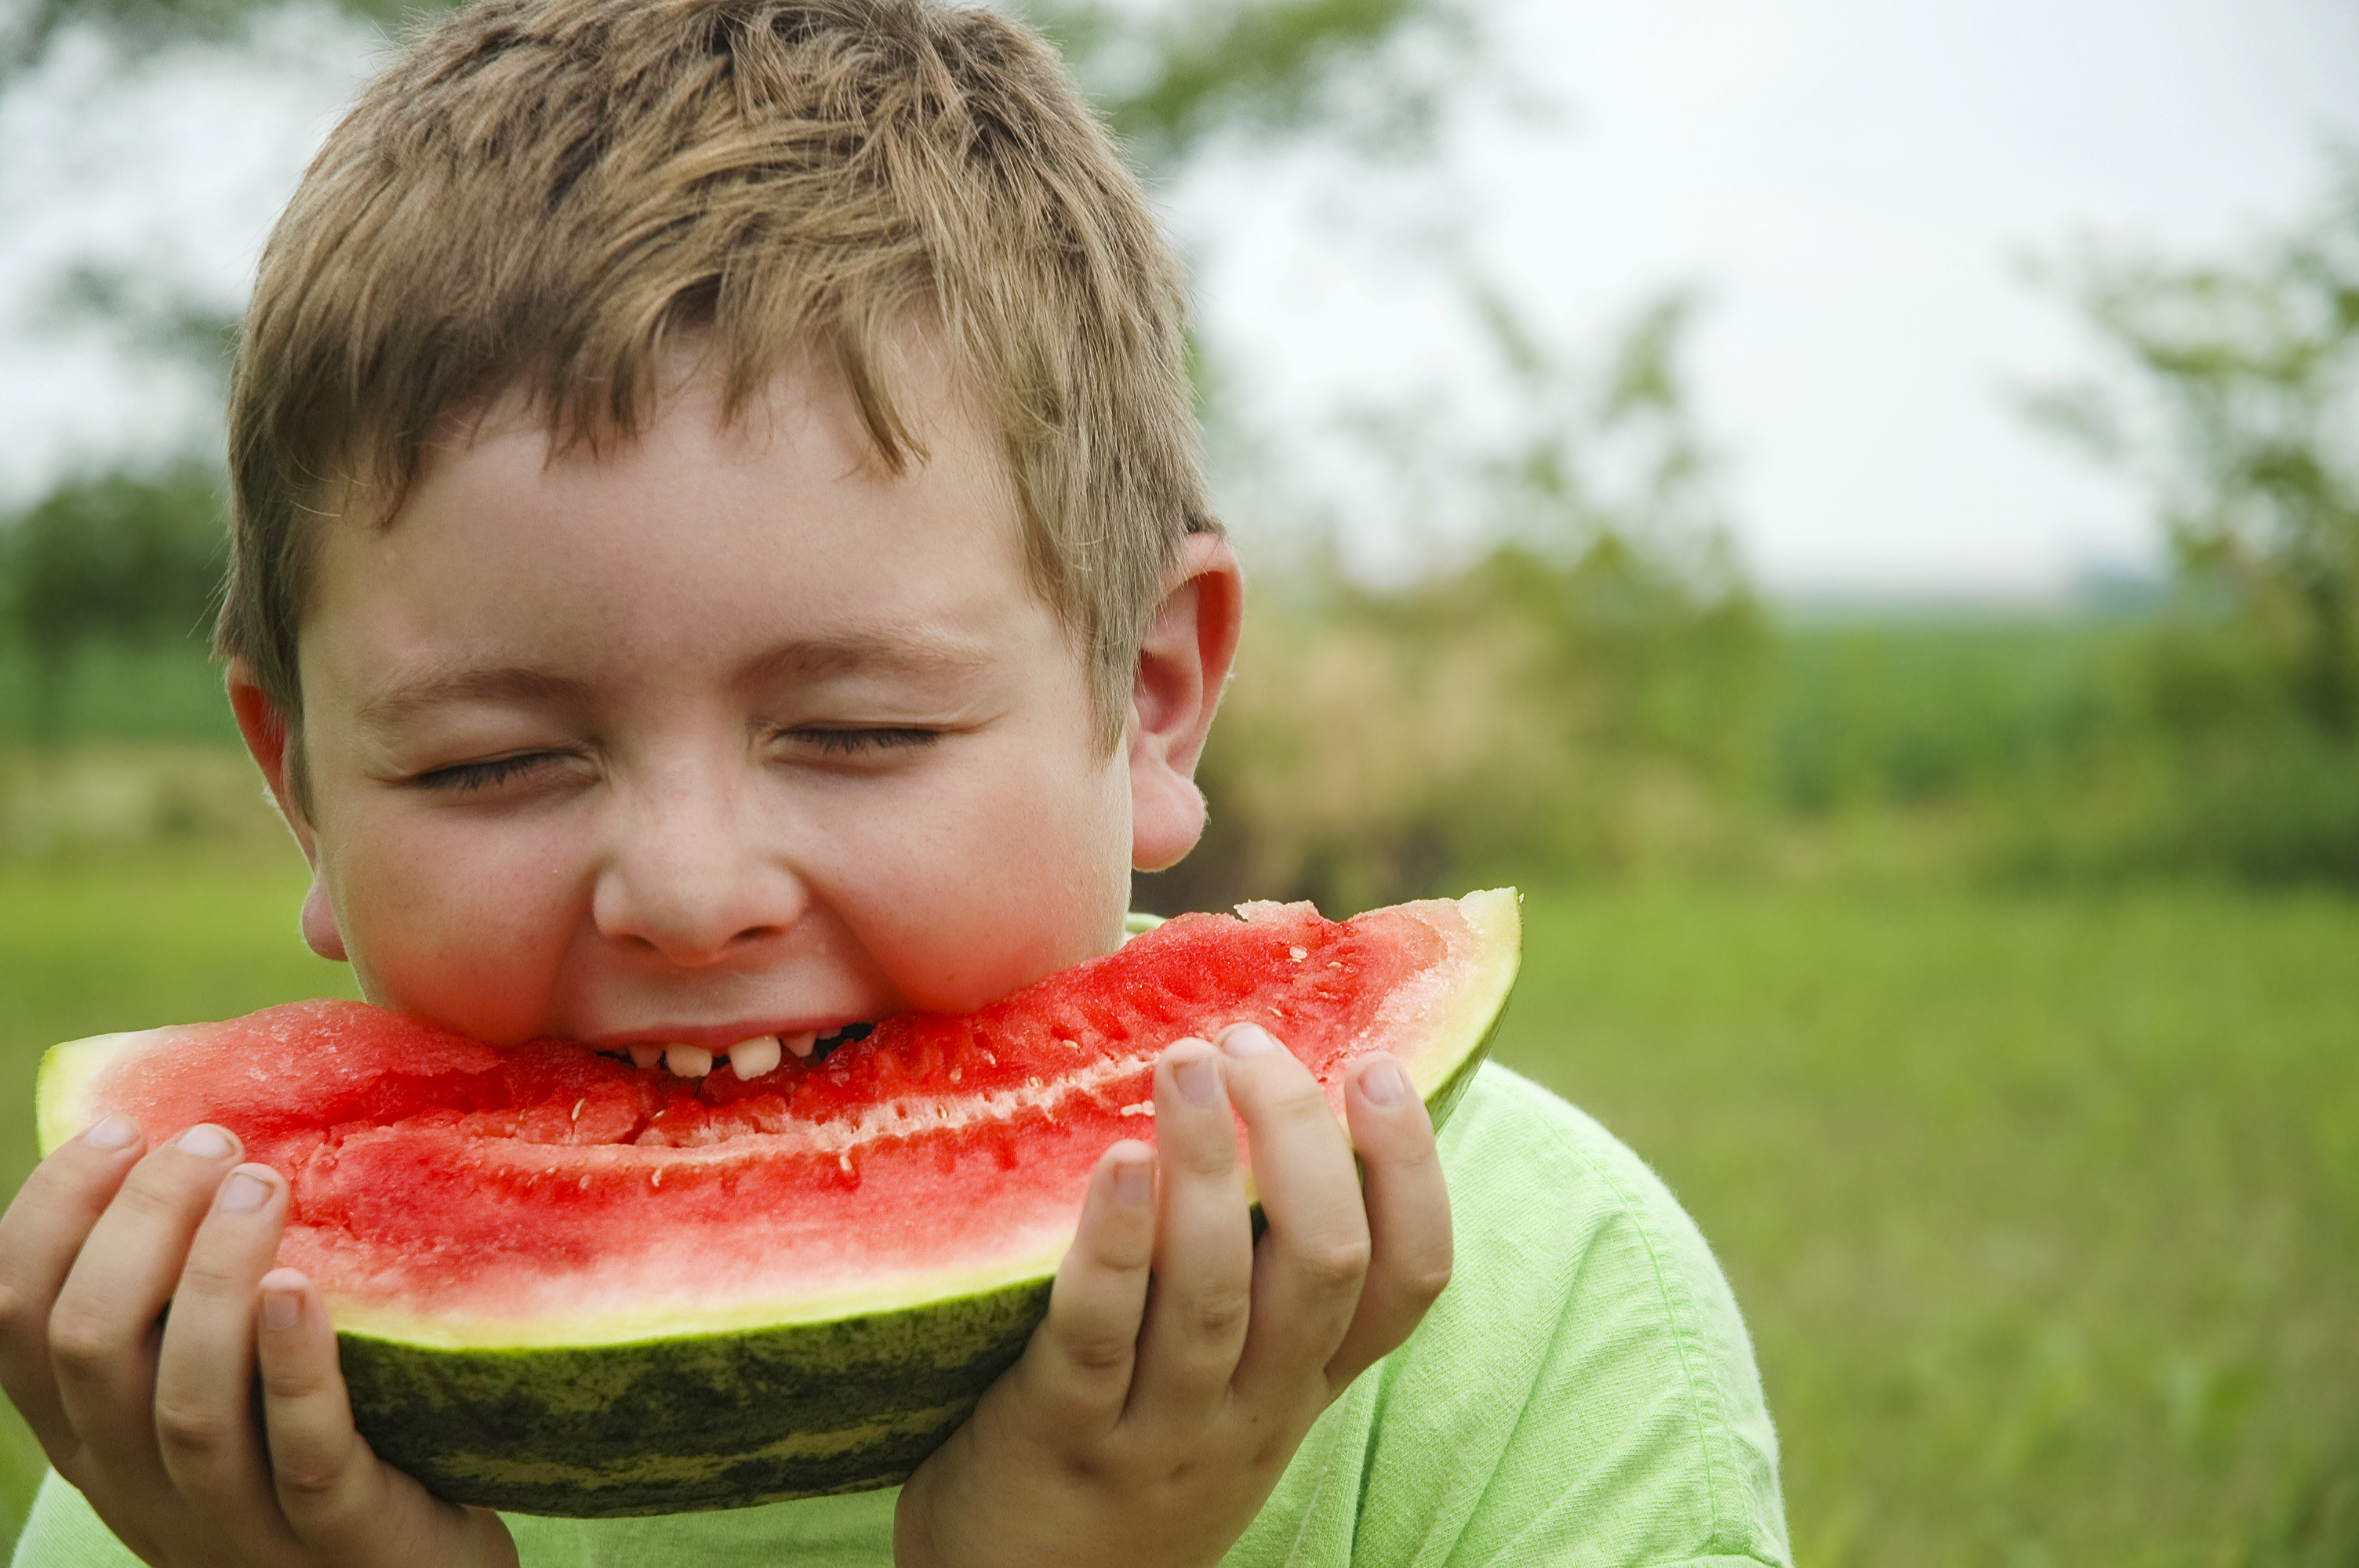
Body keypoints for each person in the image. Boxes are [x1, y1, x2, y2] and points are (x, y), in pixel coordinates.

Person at [0, 0, 1791, 1563]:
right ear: (300, 785)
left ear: (1151, 694)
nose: (691, 893)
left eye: (859, 733)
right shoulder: (210, 1394)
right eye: (497, 762)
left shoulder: (1544, 1311)